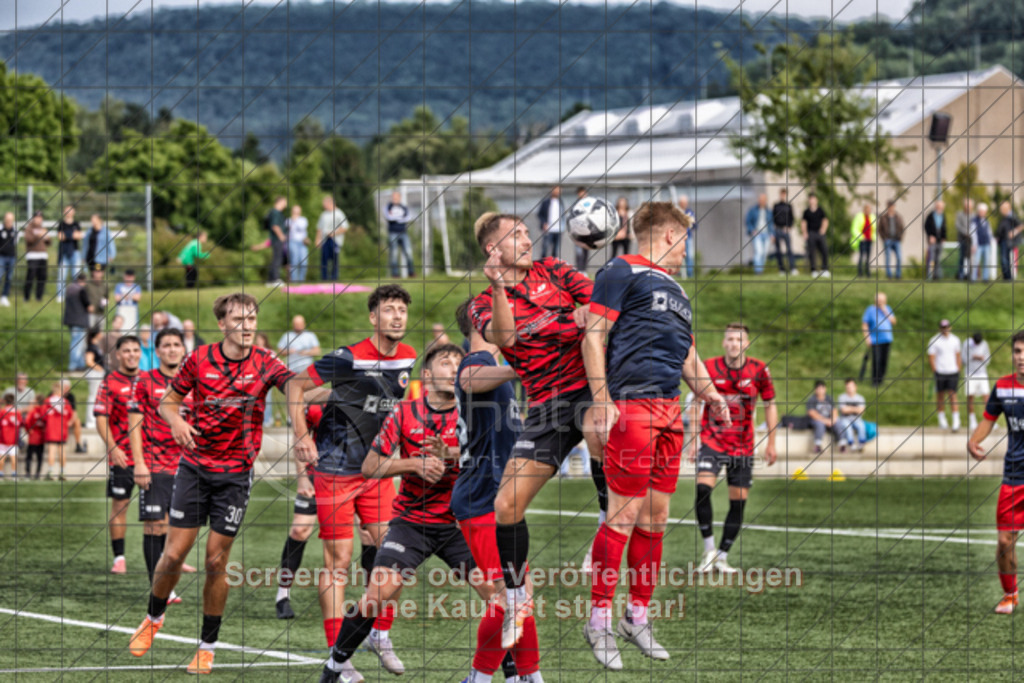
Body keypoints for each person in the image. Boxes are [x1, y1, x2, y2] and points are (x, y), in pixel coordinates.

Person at [583, 202, 731, 670]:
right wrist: (602, 398)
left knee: (656, 518)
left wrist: (713, 396)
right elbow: (593, 334)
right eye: (684, 239)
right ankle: (599, 622)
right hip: (632, 405)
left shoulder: (679, 290)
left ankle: (637, 617)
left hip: (670, 412)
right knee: (621, 515)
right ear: (668, 234)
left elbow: (688, 355)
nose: (686, 248)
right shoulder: (621, 269)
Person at [128, 293, 301, 674]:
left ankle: (207, 647)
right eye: (239, 319)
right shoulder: (200, 358)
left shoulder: (266, 362)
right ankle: (153, 618)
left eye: (252, 318)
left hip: (235, 475)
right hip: (194, 468)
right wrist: (176, 421)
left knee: (215, 561)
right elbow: (167, 403)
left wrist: (335, 390)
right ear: (222, 324)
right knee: (173, 555)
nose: (248, 325)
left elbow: (295, 388)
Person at [468, 212, 608, 651]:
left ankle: (606, 528)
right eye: (517, 235)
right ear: (494, 249)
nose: (529, 239)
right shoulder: (481, 302)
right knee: (505, 504)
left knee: (600, 430)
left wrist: (585, 317)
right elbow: (507, 340)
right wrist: (498, 288)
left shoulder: (556, 270)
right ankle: (514, 600)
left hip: (586, 387)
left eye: (528, 231)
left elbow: (598, 309)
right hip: (546, 407)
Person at [317, 344, 483, 683]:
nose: (453, 368)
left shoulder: (476, 412)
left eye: (458, 363)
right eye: (444, 362)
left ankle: (487, 677)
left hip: (460, 524)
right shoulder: (405, 412)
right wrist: (414, 464)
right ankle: (334, 667)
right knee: (376, 595)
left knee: (500, 596)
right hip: (412, 523)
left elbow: (495, 461)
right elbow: (370, 466)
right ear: (426, 375)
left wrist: (451, 454)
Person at [284, 285, 417, 675]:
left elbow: (391, 409)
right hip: (336, 471)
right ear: (373, 318)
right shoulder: (348, 356)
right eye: (389, 310)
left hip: (376, 472)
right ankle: (337, 655)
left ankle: (379, 634)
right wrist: (302, 436)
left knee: (394, 555)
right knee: (339, 560)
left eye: (402, 311)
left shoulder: (408, 356)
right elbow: (295, 387)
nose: (397, 317)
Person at [453, 299, 541, 683]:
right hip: (481, 497)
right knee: (507, 597)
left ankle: (528, 677)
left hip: (496, 496)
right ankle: (480, 677)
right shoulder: (477, 361)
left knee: (520, 594)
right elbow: (471, 381)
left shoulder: (495, 366)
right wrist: (516, 366)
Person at [689, 324, 774, 575]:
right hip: (712, 441)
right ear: (724, 343)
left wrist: (771, 441)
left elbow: (770, 404)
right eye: (730, 339)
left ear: (746, 344)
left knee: (738, 503)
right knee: (702, 489)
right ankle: (709, 550)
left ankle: (723, 557)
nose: (734, 343)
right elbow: (695, 402)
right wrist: (693, 440)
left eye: (739, 339)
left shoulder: (759, 370)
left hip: (743, 446)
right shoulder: (709, 367)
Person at [129, 328, 197, 601]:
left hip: (188, 467)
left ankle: (168, 578)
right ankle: (158, 588)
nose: (171, 349)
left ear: (184, 349)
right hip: (155, 465)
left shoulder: (194, 382)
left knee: (179, 528)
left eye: (176, 345)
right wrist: (139, 463)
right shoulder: (145, 381)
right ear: (157, 351)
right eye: (166, 345)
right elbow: (134, 423)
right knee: (154, 526)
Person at [968, 330, 1024, 614]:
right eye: (1017, 351)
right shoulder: (1003, 387)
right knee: (1004, 540)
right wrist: (974, 440)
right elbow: (989, 419)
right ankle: (1010, 594)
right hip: (1015, 476)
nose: (1022, 357)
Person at [94, 335, 143, 574]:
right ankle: (119, 558)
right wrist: (113, 448)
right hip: (123, 458)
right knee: (120, 506)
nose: (131, 354)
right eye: (126, 351)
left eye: (135, 349)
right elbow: (100, 419)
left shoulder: (150, 379)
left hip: (153, 458)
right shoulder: (110, 382)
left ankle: (169, 558)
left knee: (164, 510)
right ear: (118, 355)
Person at [928, 319, 963, 431]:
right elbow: (931, 357)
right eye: (943, 327)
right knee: (940, 396)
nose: (945, 329)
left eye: (947, 327)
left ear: (950, 327)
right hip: (940, 371)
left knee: (953, 395)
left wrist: (958, 368)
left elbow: (958, 355)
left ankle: (956, 420)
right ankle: (942, 419)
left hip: (952, 371)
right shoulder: (934, 340)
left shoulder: (955, 340)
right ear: (940, 329)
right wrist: (935, 370)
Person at [862, 292, 896, 387]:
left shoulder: (887, 308)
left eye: (882, 300)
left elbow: (893, 321)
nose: (881, 302)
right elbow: (865, 325)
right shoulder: (870, 310)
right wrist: (867, 338)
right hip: (875, 340)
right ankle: (875, 381)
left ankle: (881, 379)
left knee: (884, 361)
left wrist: (884, 310)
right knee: (876, 360)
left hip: (887, 339)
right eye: (879, 300)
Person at [43, 382, 74, 480]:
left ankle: (50, 472)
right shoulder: (65, 402)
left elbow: (43, 415)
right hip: (62, 429)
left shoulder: (48, 401)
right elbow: (70, 415)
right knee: (62, 452)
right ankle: (62, 472)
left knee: (52, 451)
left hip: (51, 429)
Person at [964, 331, 992, 433]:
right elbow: (963, 358)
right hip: (970, 373)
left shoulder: (984, 344)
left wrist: (982, 358)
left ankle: (989, 420)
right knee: (970, 396)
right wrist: (973, 357)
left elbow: (988, 359)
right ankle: (972, 420)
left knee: (986, 396)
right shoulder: (967, 344)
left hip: (982, 373)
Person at [56, 205, 84, 302]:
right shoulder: (61, 224)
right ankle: (60, 295)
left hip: (75, 252)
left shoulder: (76, 224)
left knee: (76, 274)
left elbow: (79, 236)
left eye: (70, 210)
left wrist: (67, 235)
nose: (69, 212)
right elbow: (60, 237)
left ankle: (75, 294)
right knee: (62, 275)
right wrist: (72, 235)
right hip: (64, 252)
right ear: (64, 212)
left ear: (74, 212)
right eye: (67, 210)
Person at [64, 272, 90, 372]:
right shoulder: (81, 290)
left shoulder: (69, 288)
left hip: (70, 320)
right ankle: (74, 366)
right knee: (78, 344)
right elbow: (88, 305)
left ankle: (79, 364)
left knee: (75, 342)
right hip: (80, 321)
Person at [317, 195, 348, 281]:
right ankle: (324, 279)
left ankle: (334, 278)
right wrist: (318, 240)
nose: (323, 205)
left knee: (334, 261)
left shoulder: (339, 213)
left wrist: (333, 233)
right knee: (324, 261)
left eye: (325, 203)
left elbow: (345, 228)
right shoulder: (323, 214)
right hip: (324, 240)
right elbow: (319, 228)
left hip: (335, 240)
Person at [385, 191, 414, 278]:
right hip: (393, 233)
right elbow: (389, 217)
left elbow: (408, 217)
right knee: (394, 254)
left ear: (399, 198)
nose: (395, 199)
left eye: (396, 197)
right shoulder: (388, 207)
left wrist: (397, 219)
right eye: (393, 197)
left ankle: (411, 272)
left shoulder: (404, 207)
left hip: (403, 233)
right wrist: (401, 218)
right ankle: (395, 274)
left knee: (408, 252)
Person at [800, 193, 830, 277]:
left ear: (816, 200)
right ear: (809, 200)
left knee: (824, 250)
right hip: (811, 233)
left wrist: (823, 230)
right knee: (812, 252)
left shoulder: (821, 210)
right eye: (811, 199)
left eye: (813, 199)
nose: (812, 201)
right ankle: (813, 270)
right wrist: (805, 233)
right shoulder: (806, 212)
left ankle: (825, 269)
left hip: (819, 233)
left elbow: (825, 220)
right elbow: (803, 223)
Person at [806, 381, 839, 453]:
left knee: (839, 422)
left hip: (829, 420)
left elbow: (834, 410)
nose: (820, 390)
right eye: (818, 389)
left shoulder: (829, 398)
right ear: (815, 390)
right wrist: (825, 420)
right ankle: (817, 445)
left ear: (825, 389)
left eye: (822, 388)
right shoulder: (812, 399)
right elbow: (812, 413)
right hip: (816, 420)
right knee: (819, 424)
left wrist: (833, 420)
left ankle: (842, 444)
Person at [23, 213, 49, 302]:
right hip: (32, 255)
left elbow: (49, 242)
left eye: (40, 218)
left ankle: (39, 297)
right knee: (30, 276)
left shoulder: (43, 228)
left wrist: (47, 237)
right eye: (37, 218)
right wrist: (38, 235)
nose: (39, 219)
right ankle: (26, 297)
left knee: (42, 277)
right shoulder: (29, 228)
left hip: (43, 255)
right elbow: (28, 240)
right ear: (34, 218)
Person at [836, 378, 867, 452]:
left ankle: (861, 443)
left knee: (861, 426)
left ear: (855, 387)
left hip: (857, 419)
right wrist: (856, 409)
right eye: (847, 387)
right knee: (847, 427)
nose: (849, 389)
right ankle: (851, 443)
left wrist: (849, 408)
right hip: (845, 419)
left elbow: (862, 411)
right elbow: (843, 410)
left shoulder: (860, 398)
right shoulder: (842, 397)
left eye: (851, 387)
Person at [84, 326, 106, 429]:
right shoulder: (91, 347)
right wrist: (100, 369)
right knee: (93, 396)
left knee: (96, 397)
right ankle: (90, 420)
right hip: (94, 373)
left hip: (98, 373)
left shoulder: (96, 346)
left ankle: (94, 419)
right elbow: (89, 361)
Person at [878, 199, 906, 279]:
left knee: (899, 257)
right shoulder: (883, 217)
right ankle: (889, 275)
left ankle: (898, 275)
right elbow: (880, 229)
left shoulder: (898, 217)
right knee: (888, 257)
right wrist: (884, 238)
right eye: (889, 206)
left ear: (894, 207)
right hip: (888, 240)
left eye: (892, 206)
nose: (891, 208)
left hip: (896, 240)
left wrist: (900, 237)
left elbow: (902, 228)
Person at [745, 193, 772, 275]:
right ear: (759, 200)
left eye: (764, 200)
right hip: (757, 234)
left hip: (766, 234)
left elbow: (771, 224)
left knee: (764, 253)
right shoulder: (753, 210)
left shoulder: (768, 211)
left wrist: (772, 234)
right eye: (761, 200)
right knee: (759, 252)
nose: (762, 201)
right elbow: (748, 221)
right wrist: (752, 230)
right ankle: (758, 271)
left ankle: (761, 270)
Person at [264, 197, 288, 285]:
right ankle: (274, 279)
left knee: (276, 258)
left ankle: (270, 280)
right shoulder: (275, 212)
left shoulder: (277, 213)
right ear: (280, 202)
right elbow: (275, 226)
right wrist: (281, 236)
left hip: (276, 239)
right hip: (277, 239)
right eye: (285, 202)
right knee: (277, 259)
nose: (286, 204)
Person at [772, 189, 796, 275]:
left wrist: (789, 227)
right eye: (781, 194)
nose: (783, 196)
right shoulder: (776, 206)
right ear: (780, 195)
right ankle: (781, 269)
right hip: (777, 229)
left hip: (786, 230)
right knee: (778, 251)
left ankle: (792, 268)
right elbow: (773, 218)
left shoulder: (789, 206)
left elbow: (792, 218)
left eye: (784, 194)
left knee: (789, 249)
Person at [997, 200, 1023, 281]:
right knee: (1005, 259)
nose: (1000, 210)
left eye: (1002, 208)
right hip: (1003, 241)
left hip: (1008, 241)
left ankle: (1008, 277)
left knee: (1005, 259)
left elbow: (1022, 225)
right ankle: (1006, 277)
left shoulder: (1012, 216)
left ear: (1007, 208)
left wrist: (1013, 232)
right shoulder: (1004, 217)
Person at [0, 392, 23, 479]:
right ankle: (14, 475)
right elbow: (21, 423)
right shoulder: (17, 412)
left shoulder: (2, 412)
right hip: (13, 439)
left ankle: (1, 474)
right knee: (13, 457)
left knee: (2, 457)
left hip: (2, 439)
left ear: (5, 401)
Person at [24, 394, 47, 479]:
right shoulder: (44, 411)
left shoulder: (32, 411)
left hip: (33, 438)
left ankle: (28, 473)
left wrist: (28, 430)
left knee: (29, 456)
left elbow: (26, 422)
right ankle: (37, 473)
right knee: (39, 457)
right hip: (41, 438)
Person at [286, 204, 311, 282]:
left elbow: (301, 227)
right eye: (294, 211)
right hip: (292, 242)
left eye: (297, 211)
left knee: (304, 263)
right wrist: (293, 221)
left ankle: (301, 280)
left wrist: (295, 220)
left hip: (302, 243)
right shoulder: (288, 220)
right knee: (294, 262)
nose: (296, 213)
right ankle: (294, 281)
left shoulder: (303, 220)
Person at [851, 202, 876, 277]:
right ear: (864, 210)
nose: (868, 211)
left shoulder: (872, 217)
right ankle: (860, 273)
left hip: (870, 240)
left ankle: (868, 273)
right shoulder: (859, 217)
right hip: (862, 240)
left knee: (868, 257)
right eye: (867, 209)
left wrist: (873, 237)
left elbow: (874, 229)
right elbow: (854, 228)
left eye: (869, 209)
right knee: (862, 256)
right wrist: (861, 237)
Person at [537, 186, 563, 260]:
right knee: (545, 248)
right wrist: (544, 223)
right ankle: (542, 265)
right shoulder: (546, 202)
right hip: (548, 229)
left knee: (556, 249)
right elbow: (540, 214)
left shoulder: (561, 202)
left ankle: (553, 267)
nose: (558, 191)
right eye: (556, 189)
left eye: (559, 190)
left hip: (558, 229)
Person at [924, 200, 946, 280]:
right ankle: (929, 276)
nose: (940, 208)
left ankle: (936, 276)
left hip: (940, 241)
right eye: (939, 207)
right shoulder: (930, 215)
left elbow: (944, 227)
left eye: (942, 207)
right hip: (932, 240)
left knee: (938, 259)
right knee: (931, 259)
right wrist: (930, 236)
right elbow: (926, 226)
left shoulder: (943, 215)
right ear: (936, 207)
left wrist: (944, 237)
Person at [974, 203, 994, 282]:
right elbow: (973, 234)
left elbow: (990, 232)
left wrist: (991, 240)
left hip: (986, 244)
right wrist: (974, 244)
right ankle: (974, 278)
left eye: (984, 211)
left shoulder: (987, 220)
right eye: (981, 211)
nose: (982, 213)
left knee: (986, 261)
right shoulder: (974, 221)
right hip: (978, 244)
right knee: (976, 261)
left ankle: (985, 278)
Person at [678, 195, 697, 278]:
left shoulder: (690, 212)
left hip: (688, 237)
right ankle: (680, 273)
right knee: (679, 256)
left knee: (689, 255)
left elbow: (695, 226)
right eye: (683, 203)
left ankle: (690, 274)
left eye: (685, 203)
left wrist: (692, 223)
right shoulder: (677, 212)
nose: (684, 204)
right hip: (678, 239)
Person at [85, 264, 109, 329]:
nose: (98, 274)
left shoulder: (105, 285)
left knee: (99, 335)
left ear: (103, 273)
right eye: (96, 271)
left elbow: (106, 298)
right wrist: (87, 305)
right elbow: (83, 297)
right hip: (89, 314)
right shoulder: (87, 285)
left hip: (100, 313)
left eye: (100, 272)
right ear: (93, 272)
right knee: (88, 334)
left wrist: (105, 302)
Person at [0, 212, 16, 307]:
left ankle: (4, 296)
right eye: (8, 219)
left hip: (11, 257)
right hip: (1, 257)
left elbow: (15, 243)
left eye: (11, 219)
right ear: (4, 219)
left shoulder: (15, 230)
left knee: (9, 277)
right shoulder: (0, 229)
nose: (9, 221)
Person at [956, 198, 974, 279]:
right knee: (962, 257)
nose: (967, 207)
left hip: (972, 240)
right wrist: (966, 232)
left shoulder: (974, 215)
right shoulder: (959, 214)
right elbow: (958, 226)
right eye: (966, 206)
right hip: (962, 239)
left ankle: (970, 274)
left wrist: (971, 233)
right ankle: (961, 274)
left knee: (971, 258)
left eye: (969, 206)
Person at [573, 187, 590, 273]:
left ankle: (584, 270)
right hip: (578, 232)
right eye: (580, 193)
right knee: (579, 252)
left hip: (588, 232)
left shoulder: (590, 204)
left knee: (586, 251)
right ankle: (579, 270)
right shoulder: (576, 205)